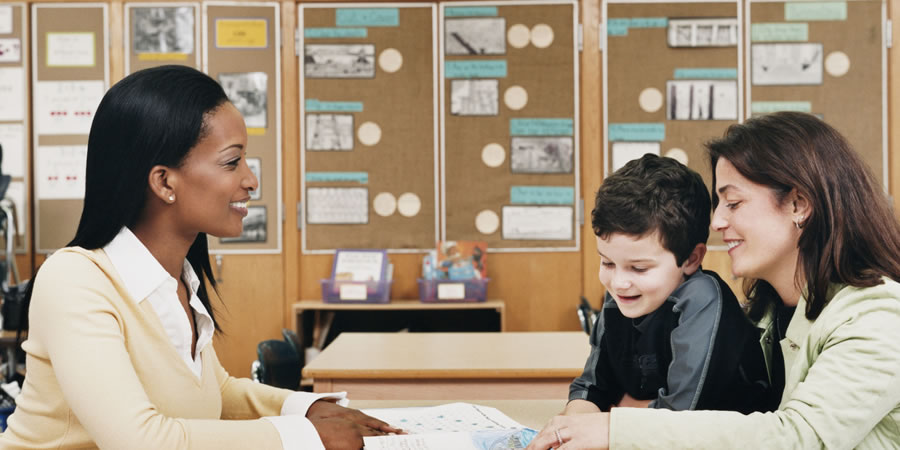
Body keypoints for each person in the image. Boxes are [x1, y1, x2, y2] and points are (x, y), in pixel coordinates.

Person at [0, 65, 400, 449]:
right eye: (232, 162)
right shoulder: (75, 280)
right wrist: (300, 438)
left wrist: (306, 408)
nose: (250, 180)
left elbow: (215, 392)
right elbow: (140, 441)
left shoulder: (178, 280)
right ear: (163, 182)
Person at [528, 112, 900, 449]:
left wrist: (616, 429)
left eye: (733, 203)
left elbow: (799, 439)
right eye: (718, 204)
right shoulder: (768, 311)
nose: (718, 221)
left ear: (799, 205)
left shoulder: (877, 314)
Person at [567, 154, 773, 417]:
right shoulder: (621, 298)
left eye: (639, 268)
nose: (618, 283)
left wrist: (618, 414)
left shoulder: (702, 299)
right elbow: (591, 387)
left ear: (691, 259)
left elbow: (678, 417)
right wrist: (573, 424)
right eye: (607, 263)